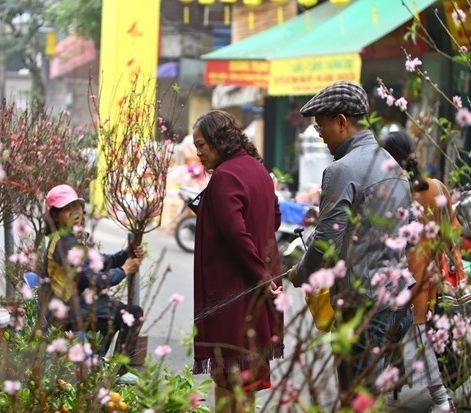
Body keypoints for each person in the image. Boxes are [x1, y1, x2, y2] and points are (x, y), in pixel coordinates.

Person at [287, 81, 414, 405]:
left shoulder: (341, 169)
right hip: (398, 302)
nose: (320, 135)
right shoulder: (392, 165)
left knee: (355, 400)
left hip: (365, 307)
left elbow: (327, 242)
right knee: (368, 398)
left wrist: (299, 274)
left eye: (321, 126)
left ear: (342, 121)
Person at [191, 110, 283, 413]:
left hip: (234, 296)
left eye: (202, 145)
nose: (199, 153)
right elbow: (275, 219)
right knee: (245, 380)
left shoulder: (225, 177)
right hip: (256, 294)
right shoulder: (258, 170)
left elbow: (236, 236)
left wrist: (260, 276)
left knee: (229, 379)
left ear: (220, 140)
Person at [382, 131, 458, 412]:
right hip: (437, 273)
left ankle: (441, 400)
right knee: (424, 337)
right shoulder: (437, 187)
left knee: (417, 340)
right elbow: (453, 232)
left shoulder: (395, 190)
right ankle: (393, 389)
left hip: (410, 278)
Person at [40, 184, 144, 362]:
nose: (75, 213)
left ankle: (99, 363)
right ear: (56, 217)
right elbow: (87, 279)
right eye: (67, 210)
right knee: (132, 314)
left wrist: (126, 253)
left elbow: (99, 260)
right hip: (71, 311)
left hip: (84, 306)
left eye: (77, 206)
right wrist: (124, 270)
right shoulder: (63, 243)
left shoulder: (76, 236)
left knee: (121, 313)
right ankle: (116, 371)